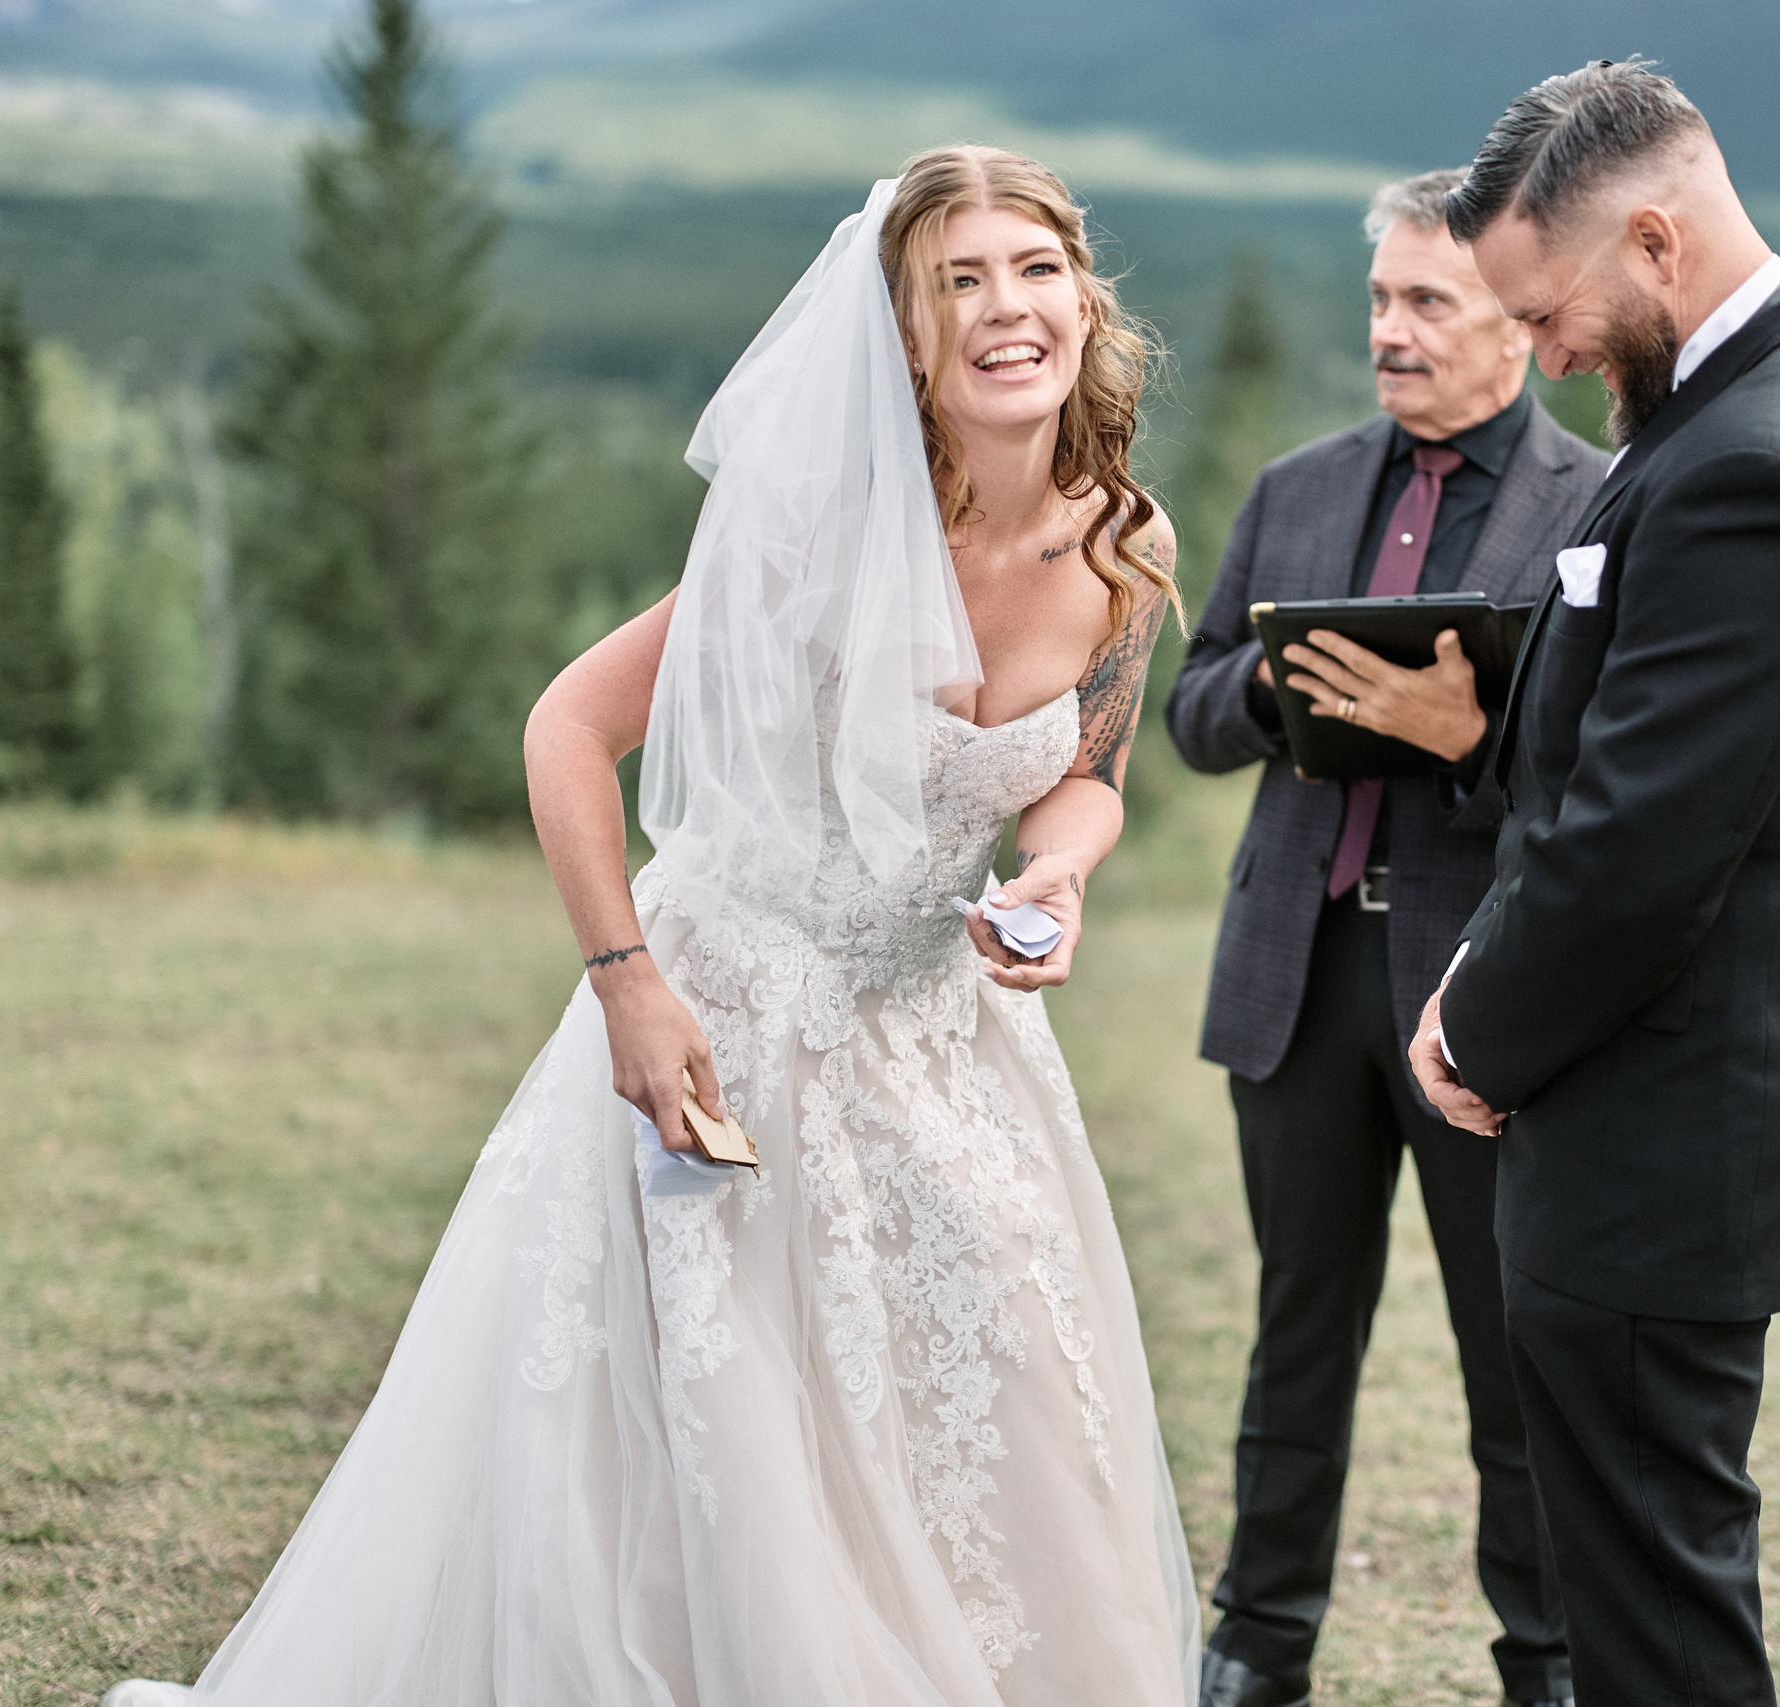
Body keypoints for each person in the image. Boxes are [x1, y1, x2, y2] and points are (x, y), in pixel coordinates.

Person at [106, 145, 1200, 1707]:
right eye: (958, 278)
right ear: (902, 330)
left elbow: (1085, 774)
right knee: (729, 1450)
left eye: (1033, 270)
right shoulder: (812, 533)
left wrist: (1057, 879)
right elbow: (566, 728)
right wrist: (627, 984)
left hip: (950, 1049)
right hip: (724, 1036)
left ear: (1083, 300)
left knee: (1004, 1406)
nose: (1005, 307)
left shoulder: (1123, 543)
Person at [1408, 61, 1780, 1707]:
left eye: (1548, 310)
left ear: (1654, 237)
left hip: (1656, 1146)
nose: (1541, 354)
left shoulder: (1757, 471)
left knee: (1656, 1628)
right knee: (1647, 1592)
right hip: (1676, 1128)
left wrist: (1471, 1031)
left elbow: (1642, 853)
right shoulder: (1776, 403)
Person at [1166, 169, 1608, 1707]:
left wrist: (1464, 722)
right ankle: (1255, 1646)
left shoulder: (1592, 505)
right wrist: (1294, 697)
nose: (1392, 333)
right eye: (1379, 301)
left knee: (1515, 1352)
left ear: (1513, 319)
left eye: (1430, 302)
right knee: (1297, 1344)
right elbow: (1192, 709)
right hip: (1295, 973)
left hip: (1479, 992)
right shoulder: (1296, 486)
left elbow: (1602, 763)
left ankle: (1545, 1665)